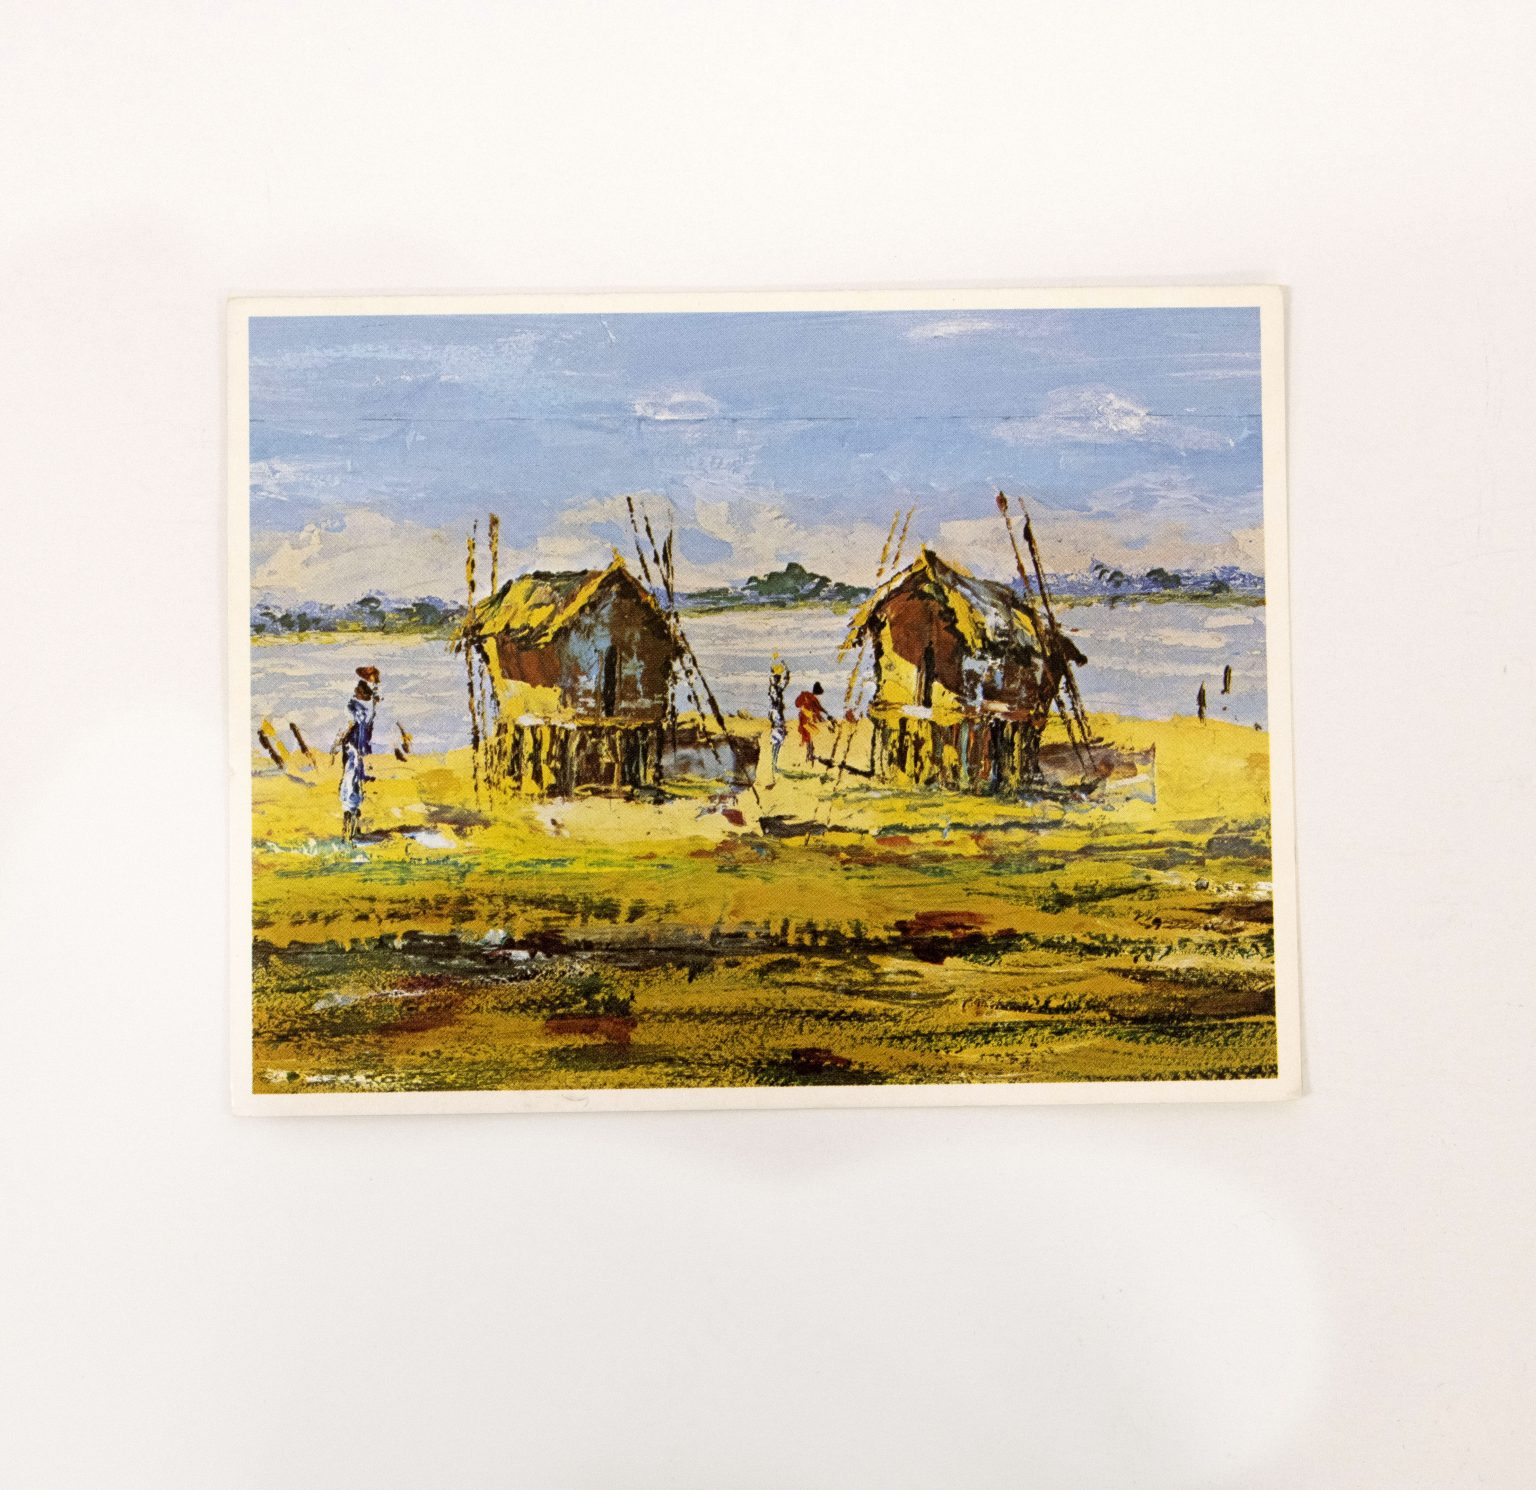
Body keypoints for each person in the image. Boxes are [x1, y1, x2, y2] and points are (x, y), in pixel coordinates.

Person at [337, 666, 380, 839]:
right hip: (354, 749)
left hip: (354, 749)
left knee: (351, 781)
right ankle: (351, 825)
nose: (356, 691)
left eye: (359, 690)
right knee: (352, 781)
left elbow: (353, 725)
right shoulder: (361, 709)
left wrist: (339, 740)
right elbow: (357, 725)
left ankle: (350, 826)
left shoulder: (358, 708)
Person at [767, 655, 790, 780]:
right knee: (776, 741)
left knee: (778, 741)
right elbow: (775, 699)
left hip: (777, 715)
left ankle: (774, 765)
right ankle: (773, 765)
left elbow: (785, 681)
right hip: (776, 715)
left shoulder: (777, 688)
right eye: (776, 678)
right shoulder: (773, 689)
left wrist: (786, 669)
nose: (777, 680)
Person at [795, 680, 827, 765]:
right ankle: (809, 756)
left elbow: (818, 709)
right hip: (805, 721)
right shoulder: (810, 697)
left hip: (806, 720)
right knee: (809, 738)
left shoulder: (806, 695)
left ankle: (809, 755)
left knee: (809, 738)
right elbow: (818, 709)